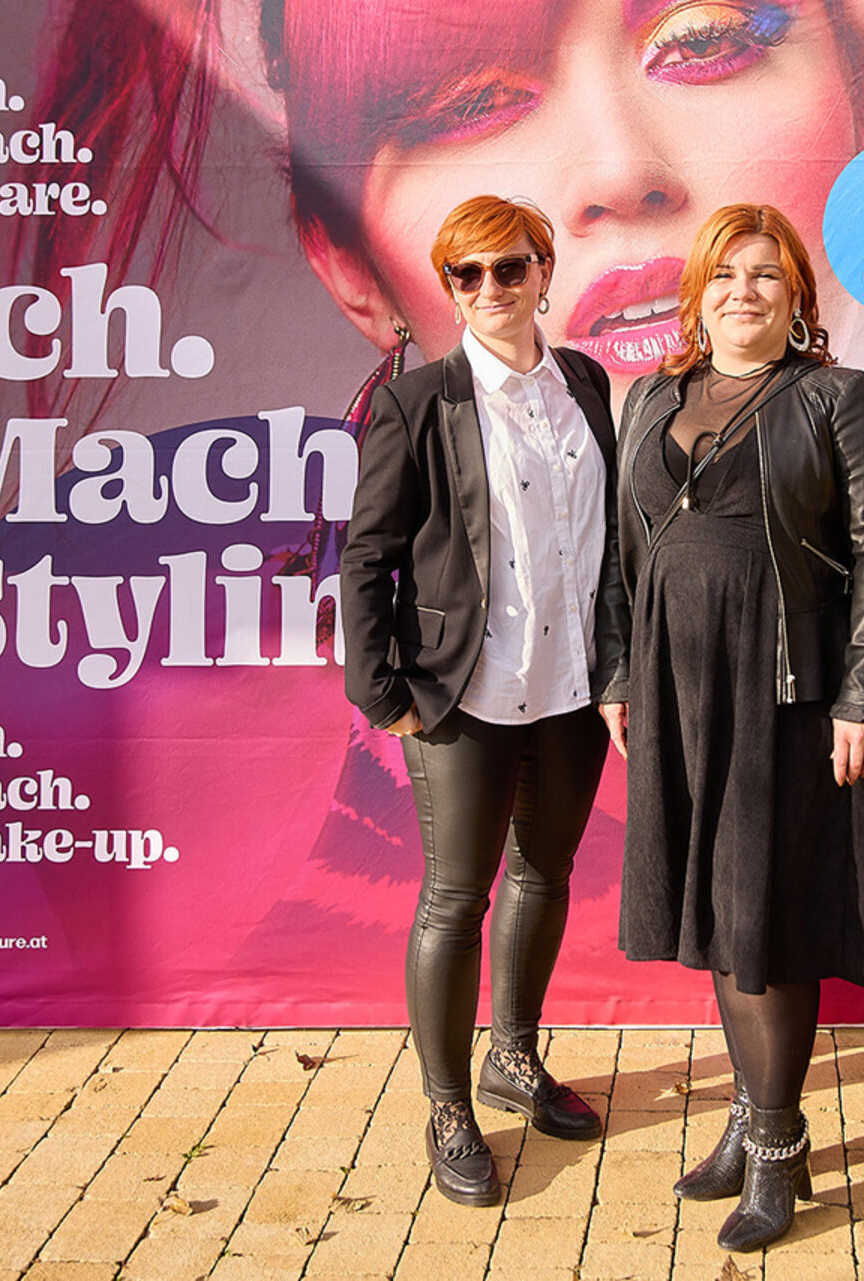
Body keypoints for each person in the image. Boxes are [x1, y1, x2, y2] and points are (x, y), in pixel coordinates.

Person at [596, 203, 864, 1252]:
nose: (744, 292)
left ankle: (779, 1148)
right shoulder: (651, 397)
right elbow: (618, 554)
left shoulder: (831, 397)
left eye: (766, 275)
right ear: (698, 293)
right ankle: (750, 1116)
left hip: (785, 692)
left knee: (761, 911)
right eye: (726, 274)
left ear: (796, 298)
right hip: (675, 690)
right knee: (719, 915)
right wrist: (617, 673)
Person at [339, 196, 618, 1206]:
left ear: (544, 271)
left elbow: (603, 538)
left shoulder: (585, 381)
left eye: (511, 267)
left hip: (573, 689)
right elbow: (366, 555)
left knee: (545, 873)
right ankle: (449, 1105)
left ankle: (514, 1055)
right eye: (469, 274)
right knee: (457, 899)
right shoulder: (420, 402)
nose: (492, 287)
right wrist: (384, 694)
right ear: (450, 290)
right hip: (461, 693)